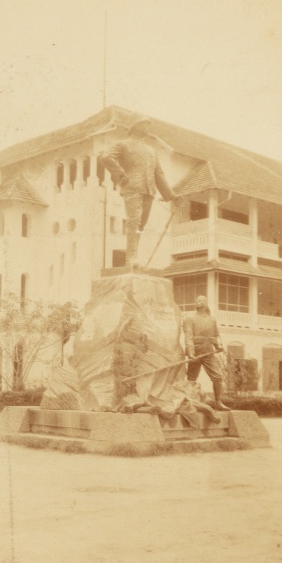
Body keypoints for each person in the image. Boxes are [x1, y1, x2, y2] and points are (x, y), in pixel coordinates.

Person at [101, 116, 180, 268]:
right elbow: (106, 157)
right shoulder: (122, 144)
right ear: (135, 125)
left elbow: (159, 173)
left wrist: (171, 195)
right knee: (134, 221)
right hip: (132, 188)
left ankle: (133, 257)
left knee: (140, 225)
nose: (148, 128)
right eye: (145, 124)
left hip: (149, 190)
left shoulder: (151, 150)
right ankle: (131, 257)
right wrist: (121, 174)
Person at [182, 296, 231, 411]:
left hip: (209, 352)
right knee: (191, 378)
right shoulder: (189, 319)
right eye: (196, 300)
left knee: (217, 377)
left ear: (205, 303)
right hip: (196, 351)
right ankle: (189, 402)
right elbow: (188, 337)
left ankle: (218, 402)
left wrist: (219, 345)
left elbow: (216, 335)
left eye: (200, 300)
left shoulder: (211, 319)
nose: (197, 302)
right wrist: (191, 353)